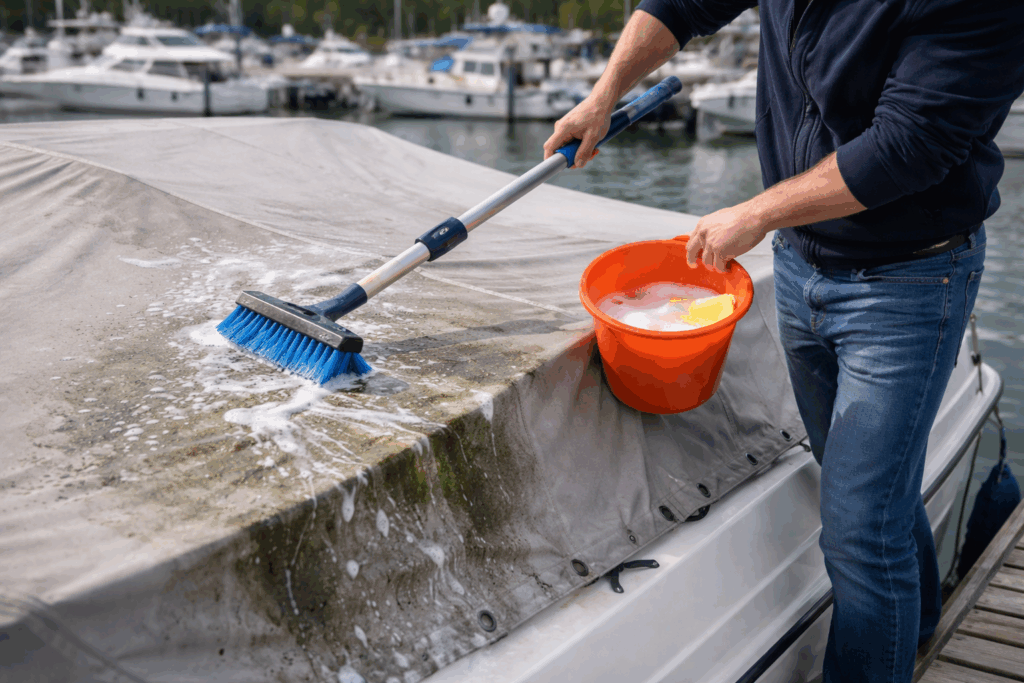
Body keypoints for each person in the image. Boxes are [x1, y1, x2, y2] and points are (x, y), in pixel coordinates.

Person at [543, 2, 1024, 682]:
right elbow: (683, 4)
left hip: (909, 281)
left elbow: (907, 145)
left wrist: (756, 212)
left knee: (859, 531)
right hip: (802, 265)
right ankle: (915, 627)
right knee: (868, 494)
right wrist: (603, 95)